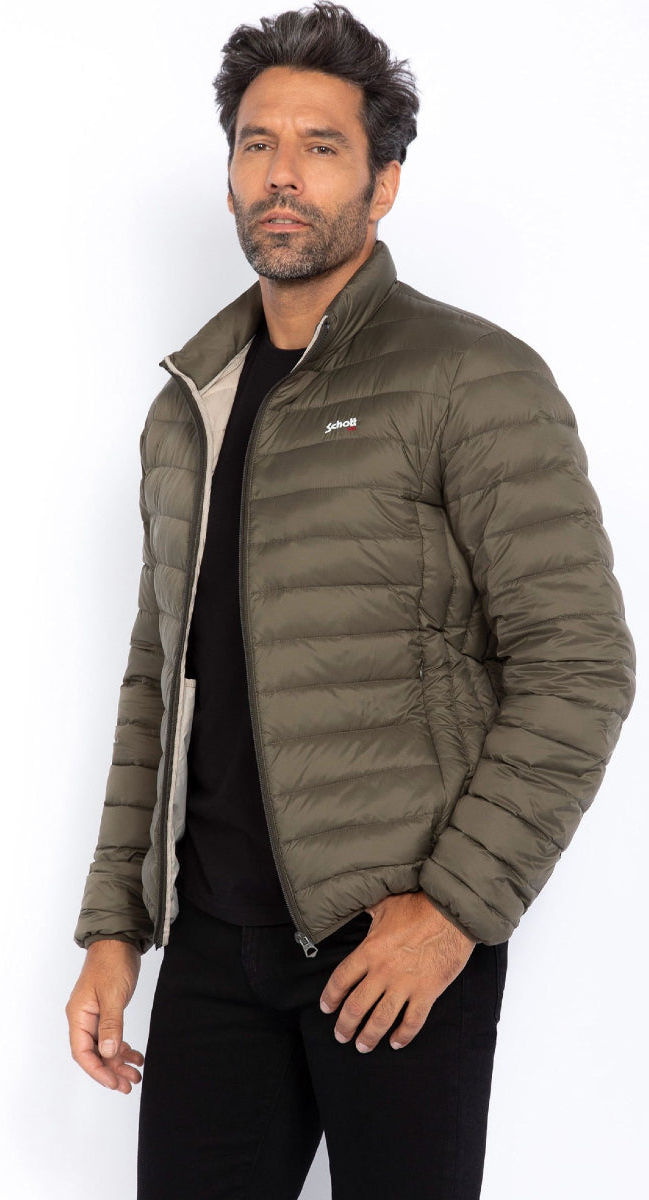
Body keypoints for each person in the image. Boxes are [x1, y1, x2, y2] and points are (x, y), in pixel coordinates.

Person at [66, 5, 637, 1197]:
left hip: (391, 940)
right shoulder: (187, 407)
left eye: (320, 146)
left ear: (382, 183)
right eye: (256, 143)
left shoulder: (469, 377)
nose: (282, 174)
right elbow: (157, 680)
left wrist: (453, 910)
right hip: (214, 946)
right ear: (229, 174)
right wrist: (117, 926)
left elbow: (577, 662)